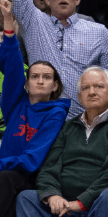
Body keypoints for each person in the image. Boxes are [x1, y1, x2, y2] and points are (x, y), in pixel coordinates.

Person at [0, 0, 70, 217]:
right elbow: (13, 66)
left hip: (33, 178)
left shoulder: (56, 112)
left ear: (55, 86)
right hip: (5, 174)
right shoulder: (16, 104)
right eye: (35, 76)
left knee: (4, 179)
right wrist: (8, 21)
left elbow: (33, 157)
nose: (40, 81)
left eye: (46, 77)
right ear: (26, 84)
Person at [15, 66, 108, 217]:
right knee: (26, 198)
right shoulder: (67, 127)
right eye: (85, 88)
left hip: (97, 204)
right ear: (79, 97)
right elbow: (49, 166)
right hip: (63, 205)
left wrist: (82, 203)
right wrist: (52, 195)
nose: (92, 92)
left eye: (99, 86)